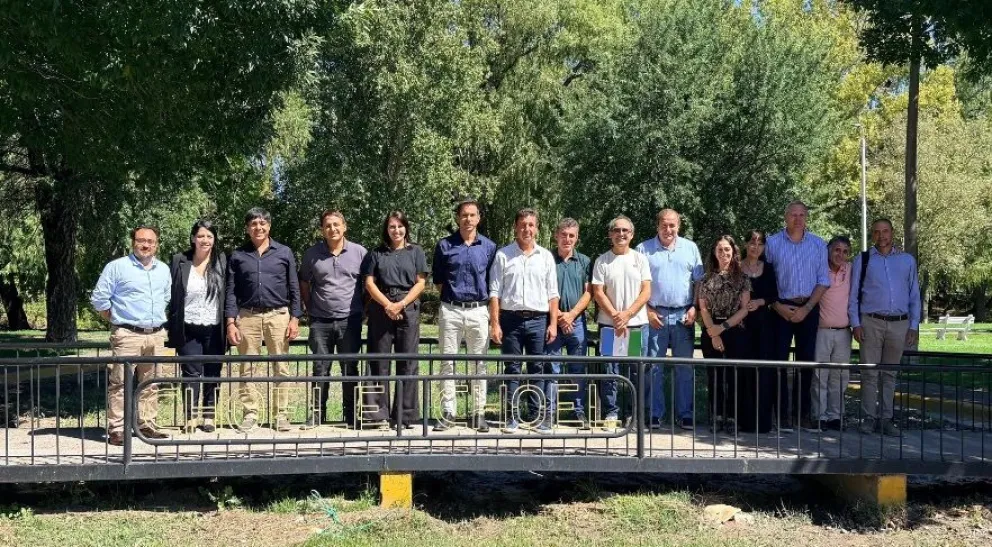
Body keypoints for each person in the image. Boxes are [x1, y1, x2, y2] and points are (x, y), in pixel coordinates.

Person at [91, 225, 172, 446]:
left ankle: (146, 425)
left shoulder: (163, 269)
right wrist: (116, 318)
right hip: (127, 334)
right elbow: (99, 299)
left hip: (156, 335)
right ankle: (117, 429)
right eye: (141, 240)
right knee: (120, 383)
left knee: (151, 383)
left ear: (157, 245)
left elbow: (166, 297)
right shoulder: (117, 267)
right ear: (133, 242)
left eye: (150, 241)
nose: (146, 245)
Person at [225, 208, 302, 432]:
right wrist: (230, 322)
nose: (258, 227)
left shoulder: (284, 252)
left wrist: (295, 318)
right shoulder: (237, 255)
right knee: (246, 368)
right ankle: (250, 413)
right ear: (247, 228)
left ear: (269, 225)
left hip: (278, 316)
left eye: (262, 223)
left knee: (281, 367)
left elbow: (294, 286)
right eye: (253, 224)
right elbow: (231, 291)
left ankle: (281, 415)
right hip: (247, 316)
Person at [489, 208, 560, 433]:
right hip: (510, 320)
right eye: (522, 225)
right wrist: (495, 323)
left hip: (538, 320)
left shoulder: (545, 257)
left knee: (536, 368)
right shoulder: (503, 255)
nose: (526, 229)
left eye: (531, 225)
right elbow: (495, 293)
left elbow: (553, 294)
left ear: (536, 228)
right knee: (512, 368)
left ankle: (536, 416)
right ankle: (512, 417)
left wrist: (553, 324)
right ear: (515, 227)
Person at [849, 219, 921, 436]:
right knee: (869, 373)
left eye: (885, 231)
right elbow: (853, 296)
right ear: (872, 235)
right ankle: (868, 418)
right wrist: (856, 323)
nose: (881, 236)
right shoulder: (862, 260)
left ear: (892, 232)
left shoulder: (907, 261)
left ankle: (886, 419)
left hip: (899, 324)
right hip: (871, 322)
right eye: (877, 232)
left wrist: (913, 326)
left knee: (890, 374)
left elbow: (914, 295)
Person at [432, 199, 497, 432]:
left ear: (479, 218)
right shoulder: (444, 245)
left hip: (479, 310)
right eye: (464, 215)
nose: (468, 219)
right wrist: (455, 301)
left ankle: (478, 413)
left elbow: (492, 282)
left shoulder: (489, 247)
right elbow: (439, 281)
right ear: (457, 218)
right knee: (447, 363)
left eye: (472, 215)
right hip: (451, 309)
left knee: (479, 364)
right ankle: (448, 413)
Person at [764, 201, 830, 432]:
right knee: (779, 363)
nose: (798, 219)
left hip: (808, 308)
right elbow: (765, 280)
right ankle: (782, 416)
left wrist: (807, 308)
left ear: (807, 217)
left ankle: (802, 415)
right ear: (785, 217)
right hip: (780, 309)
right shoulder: (772, 243)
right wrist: (777, 306)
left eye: (802, 215)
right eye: (793, 215)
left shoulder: (818, 244)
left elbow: (823, 281)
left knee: (806, 363)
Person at [636, 209, 704, 430]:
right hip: (654, 315)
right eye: (664, 225)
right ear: (657, 226)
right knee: (653, 367)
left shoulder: (690, 248)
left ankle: (685, 414)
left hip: (683, 315)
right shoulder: (643, 249)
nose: (668, 229)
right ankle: (654, 413)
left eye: (672, 225)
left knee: (684, 367)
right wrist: (647, 310)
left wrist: (694, 307)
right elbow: (637, 284)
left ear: (679, 226)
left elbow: (699, 282)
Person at [299, 210, 367, 429]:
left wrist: (363, 310)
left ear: (344, 226)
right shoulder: (312, 254)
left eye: (336, 224)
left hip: (350, 320)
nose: (332, 229)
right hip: (320, 321)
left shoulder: (359, 252)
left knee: (350, 369)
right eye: (327, 225)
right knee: (320, 369)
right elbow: (304, 283)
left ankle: (351, 415)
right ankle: (317, 414)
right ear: (322, 230)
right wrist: (309, 308)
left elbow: (369, 283)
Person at [361, 210, 429, 429]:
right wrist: (388, 305)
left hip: (408, 307)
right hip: (381, 307)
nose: (396, 230)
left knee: (408, 362)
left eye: (400, 226)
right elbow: (369, 283)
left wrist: (401, 304)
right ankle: (377, 415)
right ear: (386, 229)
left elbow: (421, 283)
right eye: (392, 226)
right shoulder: (376, 253)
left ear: (406, 228)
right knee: (378, 361)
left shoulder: (416, 252)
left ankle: (404, 416)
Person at [167, 220, 228, 434]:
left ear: (214, 239)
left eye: (209, 236)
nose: (205, 240)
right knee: (190, 373)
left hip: (215, 327)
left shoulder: (222, 261)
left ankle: (209, 415)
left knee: (213, 372)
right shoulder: (179, 260)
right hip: (188, 327)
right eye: (201, 236)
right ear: (193, 238)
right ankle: (190, 417)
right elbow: (171, 292)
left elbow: (229, 293)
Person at [591, 215, 652, 426]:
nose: (621, 234)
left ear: (632, 234)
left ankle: (635, 414)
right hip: (610, 327)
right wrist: (616, 317)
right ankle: (611, 413)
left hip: (635, 326)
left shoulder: (640, 259)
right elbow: (598, 292)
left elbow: (646, 291)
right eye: (616, 230)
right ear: (610, 234)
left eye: (625, 230)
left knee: (636, 372)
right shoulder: (602, 261)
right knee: (610, 370)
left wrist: (627, 315)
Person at [696, 236, 751, 434]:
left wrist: (723, 327)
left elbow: (745, 308)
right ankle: (716, 416)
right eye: (719, 249)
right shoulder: (705, 278)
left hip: (734, 330)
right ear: (714, 252)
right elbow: (703, 308)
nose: (723, 253)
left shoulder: (743, 279)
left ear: (733, 251)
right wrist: (714, 332)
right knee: (715, 376)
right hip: (711, 329)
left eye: (727, 249)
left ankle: (733, 417)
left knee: (734, 376)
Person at [545, 218, 593, 430]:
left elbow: (589, 293)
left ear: (577, 238)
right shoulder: (546, 259)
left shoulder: (584, 261)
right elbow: (541, 290)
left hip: (577, 322)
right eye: (563, 235)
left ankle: (578, 411)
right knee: (551, 368)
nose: (567, 239)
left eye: (571, 235)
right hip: (552, 321)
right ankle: (549, 412)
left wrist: (571, 315)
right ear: (556, 235)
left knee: (578, 368)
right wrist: (558, 317)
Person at [813, 236, 853, 432]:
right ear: (828, 250)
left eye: (845, 251)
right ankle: (819, 416)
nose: (840, 255)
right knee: (820, 375)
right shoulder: (819, 270)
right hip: (821, 331)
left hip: (844, 332)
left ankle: (835, 416)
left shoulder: (851, 270)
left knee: (839, 376)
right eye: (837, 250)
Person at [739, 230, 778, 433]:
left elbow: (774, 295)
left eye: (760, 243)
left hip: (764, 326)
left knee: (763, 372)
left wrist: (760, 301)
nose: (756, 247)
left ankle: (763, 422)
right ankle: (744, 421)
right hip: (741, 325)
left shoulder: (769, 268)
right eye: (752, 242)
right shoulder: (737, 267)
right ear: (746, 244)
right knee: (744, 371)